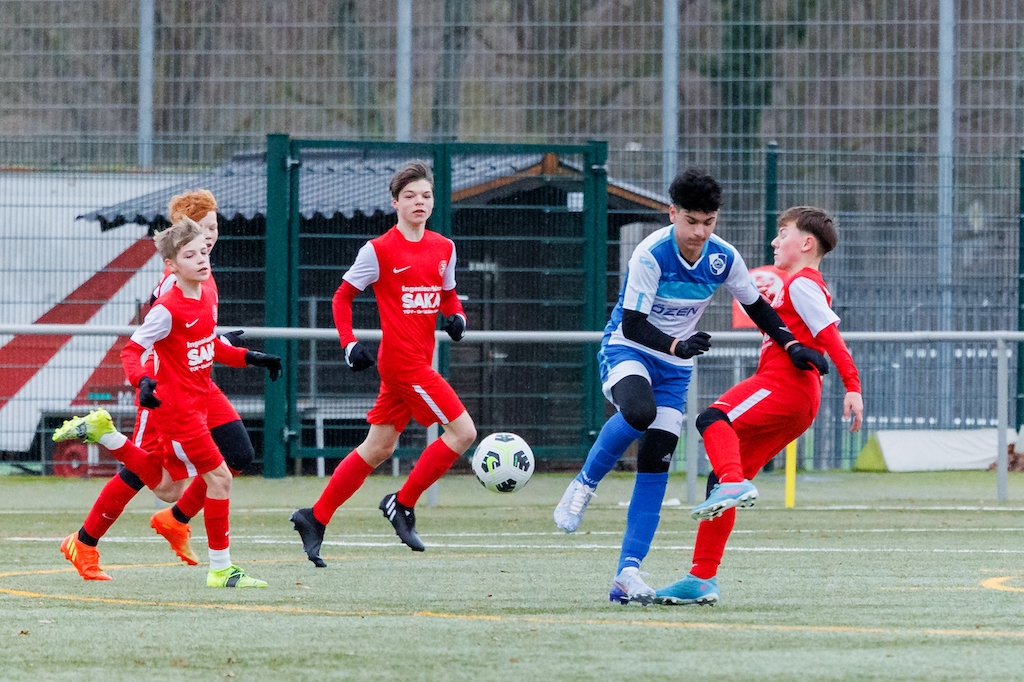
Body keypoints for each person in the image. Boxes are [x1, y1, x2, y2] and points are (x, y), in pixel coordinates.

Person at [552, 169, 829, 605]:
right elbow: (633, 324)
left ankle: (627, 573)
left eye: (709, 222)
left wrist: (792, 345)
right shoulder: (650, 254)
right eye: (691, 221)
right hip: (630, 349)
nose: (700, 232)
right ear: (672, 214)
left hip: (674, 367)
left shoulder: (723, 257)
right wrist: (677, 344)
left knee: (656, 459)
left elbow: (757, 307)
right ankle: (584, 484)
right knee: (639, 413)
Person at [654, 206, 863, 606]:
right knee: (720, 482)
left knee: (712, 417)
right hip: (797, 399)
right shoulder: (798, 285)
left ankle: (734, 483)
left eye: (782, 234)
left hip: (785, 386)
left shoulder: (802, 283)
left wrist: (852, 386)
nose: (774, 241)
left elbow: (830, 336)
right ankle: (701, 578)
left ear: (806, 243)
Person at [54, 218, 280, 587]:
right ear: (172, 264)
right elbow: (132, 350)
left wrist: (248, 357)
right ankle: (220, 568)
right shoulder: (167, 305)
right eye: (192, 252)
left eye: (205, 247)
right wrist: (142, 381)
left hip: (201, 394)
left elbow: (204, 343)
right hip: (174, 404)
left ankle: (109, 440)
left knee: (181, 483)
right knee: (201, 481)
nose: (203, 255)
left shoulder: (207, 291)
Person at [290, 160, 475, 565]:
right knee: (463, 432)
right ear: (395, 203)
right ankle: (402, 503)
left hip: (418, 360)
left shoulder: (444, 248)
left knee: (378, 447)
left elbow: (448, 296)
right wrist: (348, 344)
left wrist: (457, 317)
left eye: (426, 195)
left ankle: (315, 517)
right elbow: (342, 297)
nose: (419, 202)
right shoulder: (378, 250)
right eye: (410, 196)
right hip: (403, 364)